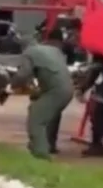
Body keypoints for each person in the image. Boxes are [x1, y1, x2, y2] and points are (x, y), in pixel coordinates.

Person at [11, 27, 74, 160]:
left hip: (56, 91)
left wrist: (12, 84)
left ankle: (41, 154)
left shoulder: (29, 52)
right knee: (38, 111)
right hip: (67, 90)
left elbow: (23, 75)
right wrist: (37, 91)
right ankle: (37, 145)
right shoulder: (54, 50)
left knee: (36, 120)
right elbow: (51, 74)